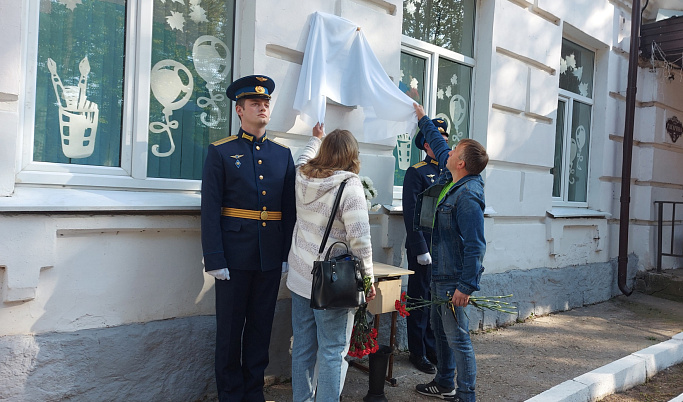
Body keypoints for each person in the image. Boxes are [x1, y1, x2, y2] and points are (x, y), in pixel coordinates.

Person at [200, 75, 296, 402]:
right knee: (229, 333)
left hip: (269, 257)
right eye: (255, 103)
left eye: (266, 103)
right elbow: (210, 209)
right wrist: (214, 258)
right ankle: (230, 395)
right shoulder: (221, 152)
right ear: (240, 110)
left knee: (259, 330)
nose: (262, 108)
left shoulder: (283, 155)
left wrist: (286, 255)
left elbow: (289, 210)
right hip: (232, 257)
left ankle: (254, 393)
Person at [286, 123, 377, 402]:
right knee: (332, 350)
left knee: (302, 346)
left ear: (324, 151)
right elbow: (360, 240)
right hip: (331, 283)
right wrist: (368, 280)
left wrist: (314, 139)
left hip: (300, 275)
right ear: (352, 156)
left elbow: (303, 158)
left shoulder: (301, 176)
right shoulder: (350, 186)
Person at [412, 103, 488, 402]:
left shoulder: (468, 197)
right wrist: (422, 118)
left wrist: (466, 286)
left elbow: (476, 245)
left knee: (458, 338)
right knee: (439, 331)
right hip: (440, 273)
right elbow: (439, 144)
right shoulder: (455, 178)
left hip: (453, 279)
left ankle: (466, 395)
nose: (449, 151)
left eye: (455, 150)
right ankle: (445, 383)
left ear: (461, 163)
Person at [402, 119, 449, 374]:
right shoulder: (417, 172)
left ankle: (432, 347)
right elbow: (412, 213)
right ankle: (417, 351)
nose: (441, 143)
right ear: (426, 144)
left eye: (444, 138)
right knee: (420, 298)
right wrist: (420, 248)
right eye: (436, 139)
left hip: (443, 246)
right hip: (424, 246)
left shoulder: (449, 170)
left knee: (436, 300)